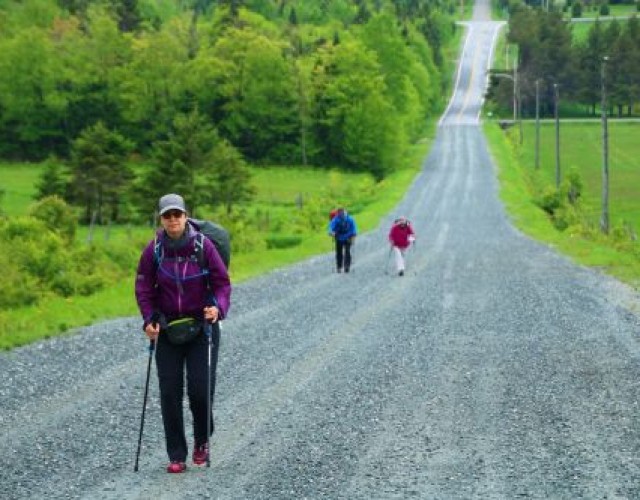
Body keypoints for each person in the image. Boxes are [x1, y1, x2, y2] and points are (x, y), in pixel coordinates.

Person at [135, 193, 231, 474]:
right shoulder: (153, 249)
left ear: (186, 216)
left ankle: (202, 439)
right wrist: (148, 319)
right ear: (161, 219)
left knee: (200, 391)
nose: (173, 220)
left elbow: (222, 283)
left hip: (202, 327)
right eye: (168, 215)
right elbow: (143, 287)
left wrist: (218, 308)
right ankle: (177, 455)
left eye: (177, 214)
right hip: (167, 329)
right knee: (169, 393)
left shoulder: (204, 246)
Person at [328, 207, 357, 273]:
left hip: (348, 237)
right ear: (338, 214)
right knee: (339, 253)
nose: (342, 216)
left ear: (345, 213)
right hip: (339, 238)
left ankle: (347, 266)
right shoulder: (335, 220)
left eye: (343, 214)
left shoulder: (350, 219)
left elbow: (354, 230)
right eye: (340, 215)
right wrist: (331, 233)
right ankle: (339, 266)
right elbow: (330, 228)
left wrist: (353, 237)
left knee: (347, 251)